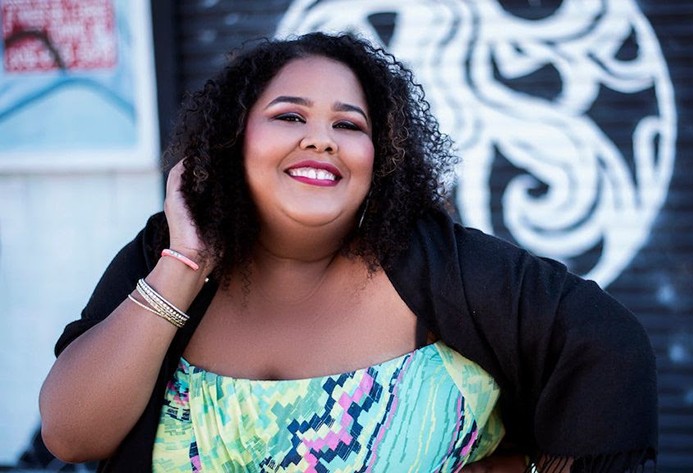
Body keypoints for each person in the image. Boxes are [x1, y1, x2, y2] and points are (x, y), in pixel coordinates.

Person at [38, 32, 658, 473]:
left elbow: (610, 349)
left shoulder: (452, 273)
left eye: (349, 125)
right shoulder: (163, 252)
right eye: (289, 116)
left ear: (379, 157)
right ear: (232, 140)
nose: (320, 139)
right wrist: (186, 262)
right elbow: (71, 436)